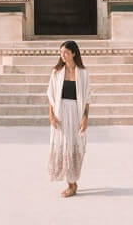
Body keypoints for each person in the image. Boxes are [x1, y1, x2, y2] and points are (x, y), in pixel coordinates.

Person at [46, 40, 91, 197]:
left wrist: (85, 118)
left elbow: (87, 98)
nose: (62, 55)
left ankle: (73, 181)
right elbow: (50, 96)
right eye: (61, 52)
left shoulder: (83, 73)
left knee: (74, 147)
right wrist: (51, 115)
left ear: (73, 53)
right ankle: (71, 185)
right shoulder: (56, 72)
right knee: (63, 147)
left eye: (65, 52)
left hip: (76, 113)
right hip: (60, 113)